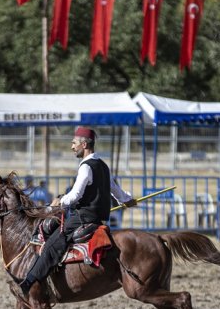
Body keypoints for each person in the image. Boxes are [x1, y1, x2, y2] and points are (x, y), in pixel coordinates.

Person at [17, 126, 136, 298]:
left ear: (85, 144)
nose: (72, 147)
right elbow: (116, 191)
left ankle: (31, 281)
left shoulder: (86, 167)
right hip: (98, 219)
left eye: (74, 143)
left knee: (52, 244)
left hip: (83, 218)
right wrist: (127, 200)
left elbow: (75, 196)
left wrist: (59, 202)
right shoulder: (103, 166)